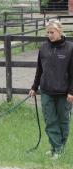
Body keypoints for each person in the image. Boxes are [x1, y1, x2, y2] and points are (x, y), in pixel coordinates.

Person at [29, 19, 73, 159]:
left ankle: (59, 148)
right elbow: (39, 69)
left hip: (64, 93)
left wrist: (71, 92)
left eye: (52, 32)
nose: (49, 35)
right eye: (47, 32)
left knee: (63, 121)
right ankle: (57, 148)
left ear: (59, 31)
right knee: (50, 120)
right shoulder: (43, 48)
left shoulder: (70, 48)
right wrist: (34, 87)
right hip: (46, 90)